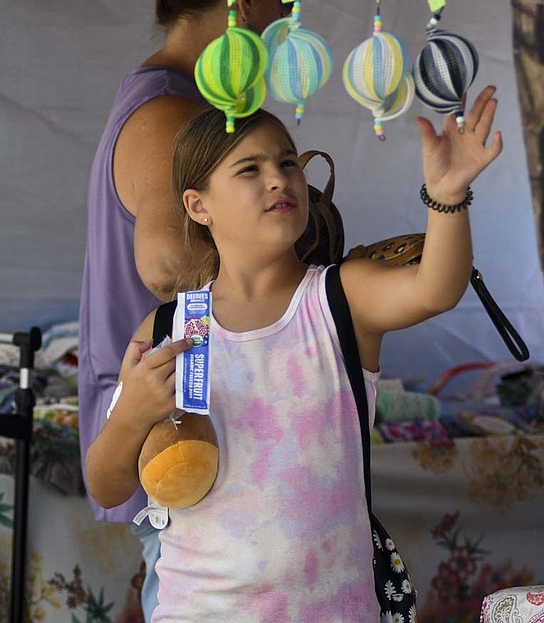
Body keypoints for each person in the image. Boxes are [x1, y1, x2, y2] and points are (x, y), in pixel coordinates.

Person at [85, 86, 502, 621]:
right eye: (249, 169)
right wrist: (132, 416)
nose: (279, 178)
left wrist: (448, 196)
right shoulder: (172, 325)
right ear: (198, 205)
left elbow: (436, 289)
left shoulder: (339, 299)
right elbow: (106, 483)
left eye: (287, 162)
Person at [77, 0, 295, 619]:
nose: (280, 23)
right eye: (283, 2)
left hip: (181, 419)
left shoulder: (186, 101)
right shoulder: (169, 112)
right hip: (164, 414)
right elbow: (169, 266)